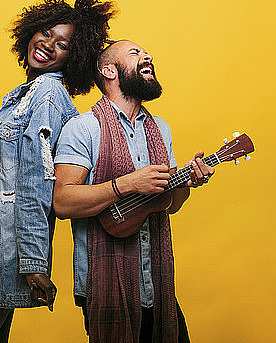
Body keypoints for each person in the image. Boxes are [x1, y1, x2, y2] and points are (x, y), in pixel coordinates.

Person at [0, 0, 115, 343]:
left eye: (61, 44)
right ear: (30, 32)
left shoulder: (47, 95)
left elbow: (37, 184)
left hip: (7, 253)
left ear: (73, 57)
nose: (48, 45)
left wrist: (34, 264)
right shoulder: (20, 96)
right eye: (45, 33)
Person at [53, 40, 215, 343]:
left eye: (146, 52)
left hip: (157, 282)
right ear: (109, 70)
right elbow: (63, 201)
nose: (147, 56)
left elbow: (170, 204)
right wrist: (127, 184)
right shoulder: (83, 128)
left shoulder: (160, 129)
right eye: (135, 53)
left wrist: (189, 181)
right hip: (104, 285)